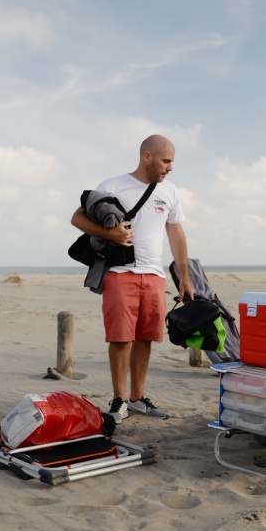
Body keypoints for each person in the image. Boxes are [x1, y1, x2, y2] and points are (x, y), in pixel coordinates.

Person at [71, 135, 195, 422]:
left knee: (145, 338)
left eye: (173, 162)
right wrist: (111, 233)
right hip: (119, 274)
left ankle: (138, 398)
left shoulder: (170, 192)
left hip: (154, 275)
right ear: (147, 157)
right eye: (166, 161)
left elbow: (176, 234)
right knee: (120, 338)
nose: (170, 168)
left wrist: (185, 278)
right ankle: (119, 400)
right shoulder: (112, 185)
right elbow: (78, 218)